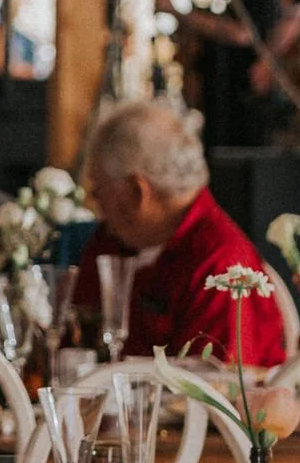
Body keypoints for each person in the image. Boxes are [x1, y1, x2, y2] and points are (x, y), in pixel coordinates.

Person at [76, 97, 289, 368]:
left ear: (136, 192)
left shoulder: (222, 266)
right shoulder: (113, 240)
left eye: (98, 191)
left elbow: (217, 384)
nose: (95, 205)